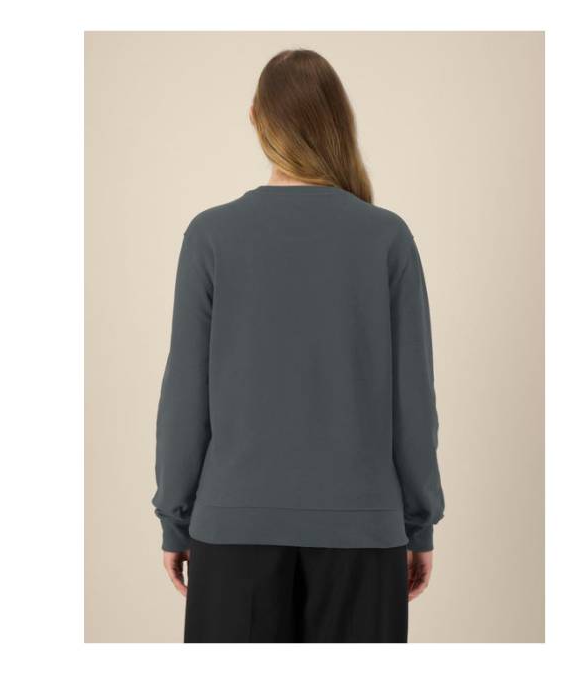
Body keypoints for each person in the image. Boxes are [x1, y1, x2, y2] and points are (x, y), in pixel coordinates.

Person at [152, 49, 445, 643]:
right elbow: (413, 401)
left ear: (256, 118)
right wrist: (418, 524)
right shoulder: (387, 238)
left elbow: (184, 395)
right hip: (363, 537)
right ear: (339, 120)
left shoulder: (211, 236)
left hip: (233, 532)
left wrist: (176, 520)